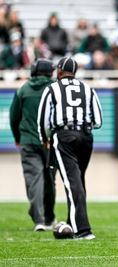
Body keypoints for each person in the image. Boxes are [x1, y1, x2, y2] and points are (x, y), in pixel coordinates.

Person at [37, 57, 103, 240]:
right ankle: (72, 221)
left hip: (64, 136)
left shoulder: (52, 89)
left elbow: (43, 120)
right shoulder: (88, 89)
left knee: (71, 181)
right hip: (86, 137)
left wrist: (45, 139)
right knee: (78, 180)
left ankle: (82, 229)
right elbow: (98, 121)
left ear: (59, 71)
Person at [9, 58, 56, 231]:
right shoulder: (55, 89)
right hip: (50, 142)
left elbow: (14, 117)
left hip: (28, 141)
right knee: (50, 180)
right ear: (51, 71)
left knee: (34, 180)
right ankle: (50, 218)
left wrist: (17, 137)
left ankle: (39, 220)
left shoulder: (23, 89)